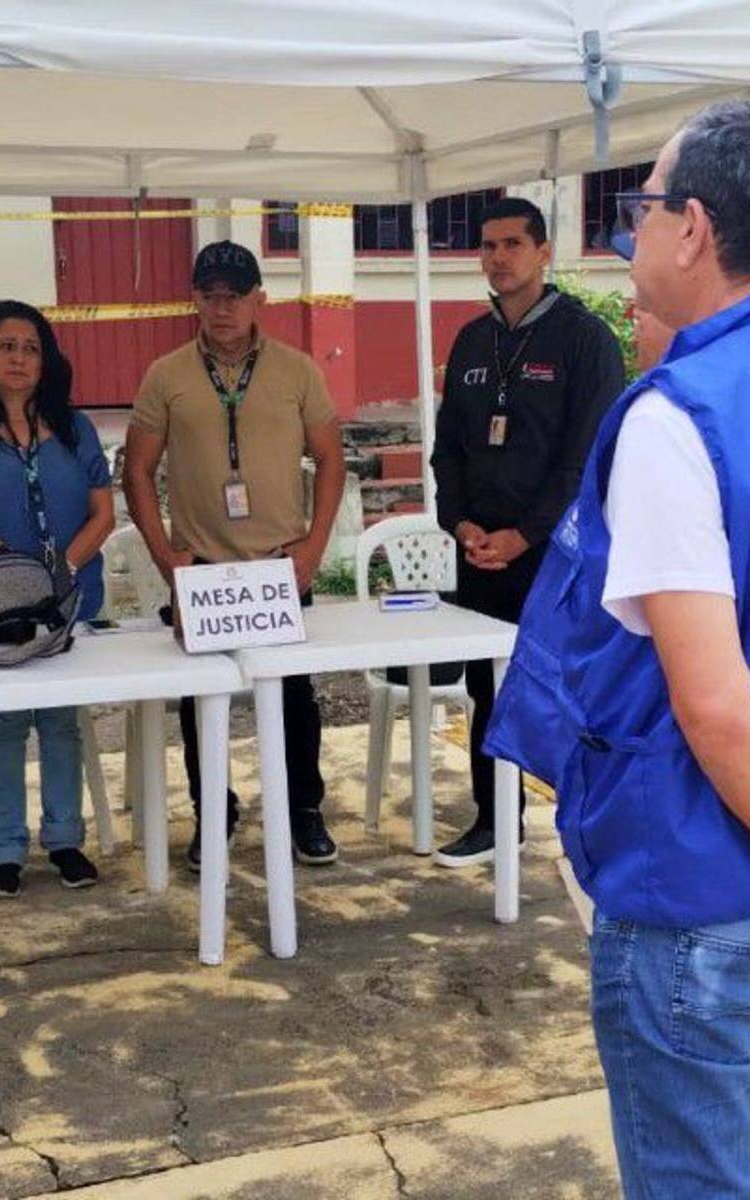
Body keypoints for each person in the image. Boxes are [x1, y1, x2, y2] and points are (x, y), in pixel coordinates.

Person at [486, 98, 750, 1197]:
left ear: (691, 227)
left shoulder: (674, 414)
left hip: (694, 898)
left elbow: (718, 710)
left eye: (641, 206)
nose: (629, 233)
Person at [125, 240, 346, 870]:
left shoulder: (298, 369)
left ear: (258, 299)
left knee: (294, 695)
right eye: (210, 295)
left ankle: (303, 807)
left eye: (235, 295)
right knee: (203, 700)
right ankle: (211, 811)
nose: (222, 309)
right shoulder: (165, 375)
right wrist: (169, 560)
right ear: (194, 298)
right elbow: (136, 471)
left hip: (279, 565)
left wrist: (312, 550)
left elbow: (331, 459)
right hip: (203, 573)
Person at [430, 197, 625, 868]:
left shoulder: (583, 339)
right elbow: (447, 447)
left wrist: (525, 534)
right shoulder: (470, 341)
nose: (497, 258)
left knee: (570, 690)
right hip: (480, 554)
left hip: (554, 556)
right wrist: (458, 523)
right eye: (486, 246)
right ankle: (495, 818)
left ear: (543, 252)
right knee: (490, 690)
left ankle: (590, 829)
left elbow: (586, 459)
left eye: (512, 244)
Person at [0, 299, 115, 899]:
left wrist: (63, 565)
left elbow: (103, 513)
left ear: (46, 361)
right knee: (6, 725)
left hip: (68, 601)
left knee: (61, 722)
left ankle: (65, 840)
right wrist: (13, 568)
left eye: (31, 348)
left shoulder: (75, 427)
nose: (18, 358)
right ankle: (3, 850)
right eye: (6, 345)